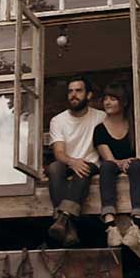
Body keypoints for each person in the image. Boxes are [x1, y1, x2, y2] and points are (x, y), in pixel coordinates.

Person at [46, 75, 104, 246]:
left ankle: (63, 218)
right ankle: (68, 225)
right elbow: (59, 152)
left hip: (91, 164)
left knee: (83, 169)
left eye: (78, 91)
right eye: (70, 91)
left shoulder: (100, 117)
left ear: (89, 95)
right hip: (68, 163)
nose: (73, 95)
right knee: (55, 167)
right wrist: (72, 162)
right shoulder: (58, 120)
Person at [93, 81, 140, 248]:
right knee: (107, 167)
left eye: (113, 99)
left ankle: (137, 224)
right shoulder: (100, 129)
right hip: (113, 167)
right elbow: (108, 158)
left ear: (123, 102)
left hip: (134, 167)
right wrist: (120, 163)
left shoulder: (135, 125)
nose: (107, 103)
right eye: (105, 99)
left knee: (137, 165)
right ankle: (110, 225)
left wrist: (130, 162)